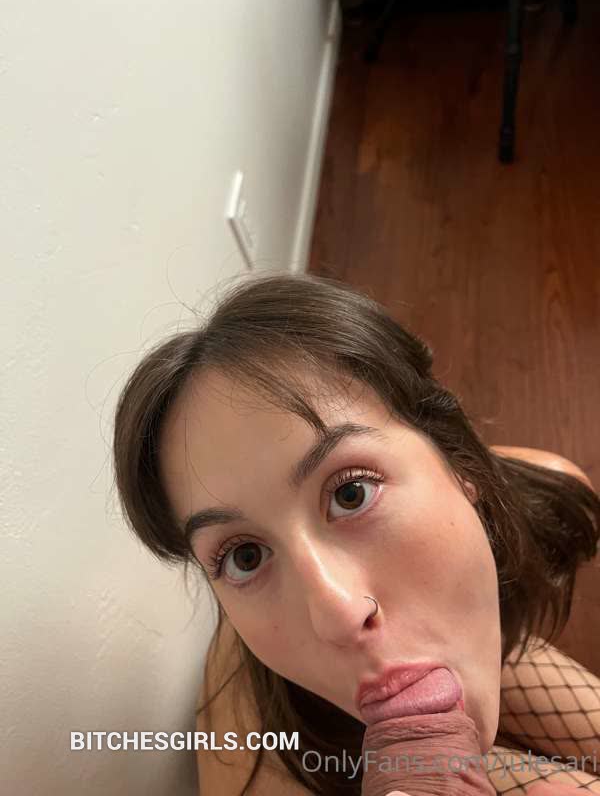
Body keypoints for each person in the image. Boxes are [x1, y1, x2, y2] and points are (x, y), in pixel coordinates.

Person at [112, 272, 600, 795]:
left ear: (459, 460)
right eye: (245, 555)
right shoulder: (262, 763)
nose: (338, 613)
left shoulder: (545, 487)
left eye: (351, 493)